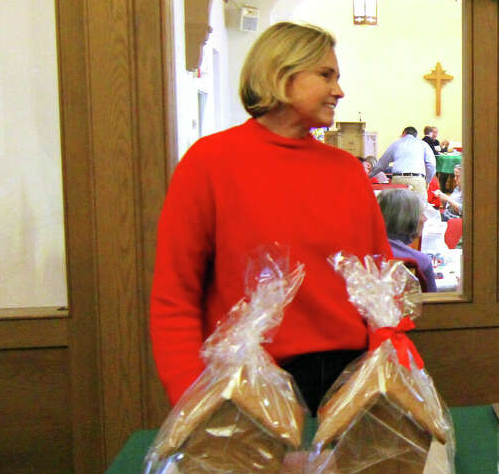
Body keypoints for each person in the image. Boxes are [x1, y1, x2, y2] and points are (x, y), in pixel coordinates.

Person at [150, 21, 392, 413]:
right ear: (282, 75)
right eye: (326, 75)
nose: (339, 91)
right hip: (247, 383)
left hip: (351, 381)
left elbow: (381, 283)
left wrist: (387, 373)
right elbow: (174, 299)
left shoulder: (348, 171)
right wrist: (192, 400)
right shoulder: (209, 163)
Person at [378, 187, 436, 293]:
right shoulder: (420, 262)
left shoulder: (361, 254)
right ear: (408, 218)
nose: (425, 219)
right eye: (421, 213)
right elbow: (433, 308)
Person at [370, 125, 436, 193]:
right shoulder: (423, 144)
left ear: (404, 133)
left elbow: (382, 164)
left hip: (399, 179)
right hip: (417, 178)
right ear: (416, 135)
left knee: (398, 203)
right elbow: (431, 165)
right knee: (420, 203)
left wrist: (369, 175)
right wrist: (428, 181)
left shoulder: (396, 144)